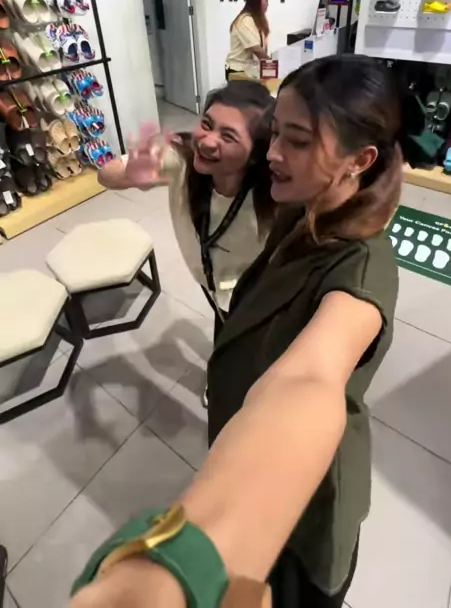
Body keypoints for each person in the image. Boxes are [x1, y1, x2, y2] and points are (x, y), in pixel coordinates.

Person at [71, 55, 402, 608]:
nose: (274, 154)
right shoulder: (303, 209)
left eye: (296, 141)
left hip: (304, 505)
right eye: (277, 135)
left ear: (359, 159)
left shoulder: (359, 268)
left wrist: (189, 559)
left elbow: (309, 379)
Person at [98, 79, 276, 346]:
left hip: (254, 295)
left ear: (254, 155)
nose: (207, 142)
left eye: (228, 136)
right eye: (207, 124)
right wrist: (146, 158)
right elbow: (107, 176)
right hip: (210, 282)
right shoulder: (183, 159)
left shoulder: (272, 192)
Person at [226, 0, 270, 80]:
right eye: (266, 1)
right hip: (238, 72)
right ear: (258, 1)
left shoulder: (258, 20)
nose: (268, 4)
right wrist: (270, 64)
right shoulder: (244, 20)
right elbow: (256, 48)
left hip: (250, 71)